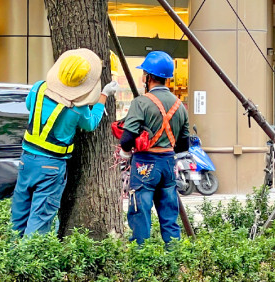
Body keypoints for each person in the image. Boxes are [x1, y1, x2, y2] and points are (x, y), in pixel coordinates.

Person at [11, 48, 119, 236]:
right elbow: (91, 123)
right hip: (51, 167)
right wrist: (103, 96)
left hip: (26, 161)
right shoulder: (78, 107)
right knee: (39, 221)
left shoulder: (38, 88)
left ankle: (13, 259)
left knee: (19, 217)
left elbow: (29, 105)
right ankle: (30, 262)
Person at [118, 50, 189, 245]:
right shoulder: (180, 105)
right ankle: (173, 265)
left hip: (145, 164)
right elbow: (184, 144)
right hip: (168, 164)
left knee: (140, 214)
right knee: (169, 217)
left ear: (148, 77)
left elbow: (126, 139)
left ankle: (141, 266)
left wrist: (125, 154)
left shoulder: (141, 103)